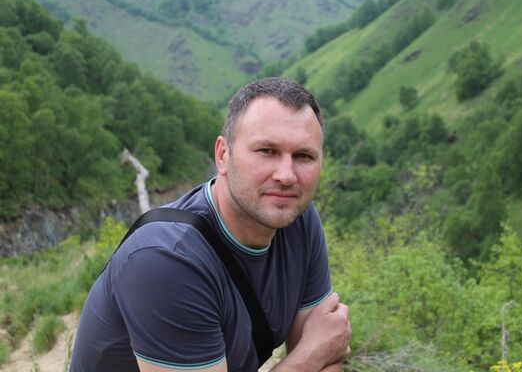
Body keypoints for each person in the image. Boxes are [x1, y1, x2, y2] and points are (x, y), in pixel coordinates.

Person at [69, 77, 351, 372]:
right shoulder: (166, 259)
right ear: (223, 155)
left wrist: (318, 352)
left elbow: (328, 350)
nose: (286, 175)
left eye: (304, 156)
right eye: (267, 151)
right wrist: (309, 356)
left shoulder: (297, 220)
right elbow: (319, 350)